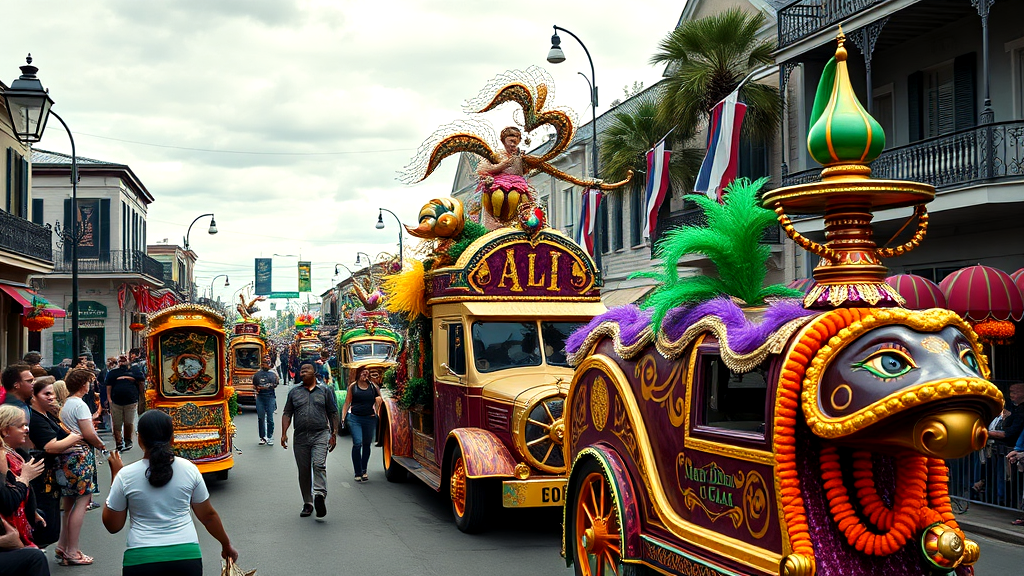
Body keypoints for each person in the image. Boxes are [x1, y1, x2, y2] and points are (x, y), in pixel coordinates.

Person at [102, 410, 238, 575]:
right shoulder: (189, 469)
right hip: (186, 558)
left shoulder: (126, 475)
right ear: (172, 439)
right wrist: (226, 545)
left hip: (141, 560)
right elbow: (208, 516)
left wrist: (115, 476)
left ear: (139, 439)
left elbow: (113, 525)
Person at [56, 369, 106, 566]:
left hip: (66, 455)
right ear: (83, 384)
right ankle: (72, 550)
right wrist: (101, 444)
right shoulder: (80, 405)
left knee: (68, 503)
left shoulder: (67, 404)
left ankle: (63, 545)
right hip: (80, 456)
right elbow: (88, 433)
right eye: (88, 382)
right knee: (82, 501)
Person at [28, 376, 82, 549]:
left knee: (52, 518)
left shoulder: (45, 415)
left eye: (52, 393)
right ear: (34, 396)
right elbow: (51, 446)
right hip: (42, 477)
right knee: (45, 521)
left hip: (51, 475)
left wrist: (68, 445)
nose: (52, 397)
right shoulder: (35, 419)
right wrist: (75, 437)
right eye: (46, 394)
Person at [281, 363, 338, 518]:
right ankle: (308, 503)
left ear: (314, 373)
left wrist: (334, 433)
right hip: (300, 437)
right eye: (302, 370)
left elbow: (333, 413)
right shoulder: (294, 392)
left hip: (320, 434)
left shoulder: (325, 390)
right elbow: (287, 413)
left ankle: (319, 495)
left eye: (307, 370)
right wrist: (284, 433)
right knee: (304, 471)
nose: (303, 372)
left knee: (318, 464)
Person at [0, 404, 48, 576]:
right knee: (34, 559)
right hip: (10, 526)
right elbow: (8, 500)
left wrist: (32, 510)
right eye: (21, 425)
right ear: (5, 430)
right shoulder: (2, 456)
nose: (26, 429)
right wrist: (26, 478)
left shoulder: (13, 452)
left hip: (18, 524)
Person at [474, 125, 533, 229]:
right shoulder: (498, 155)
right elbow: (488, 169)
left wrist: (524, 161)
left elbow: (525, 169)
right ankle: (497, 219)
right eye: (510, 137)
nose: (513, 140)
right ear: (504, 140)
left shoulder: (520, 156)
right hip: (500, 183)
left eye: (516, 137)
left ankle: (519, 221)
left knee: (519, 198)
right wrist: (504, 164)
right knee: (499, 196)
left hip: (517, 184)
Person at [340, 366, 382, 483]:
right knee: (357, 443)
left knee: (367, 444)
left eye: (366, 373)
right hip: (355, 419)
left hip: (369, 418)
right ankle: (357, 472)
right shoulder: (353, 387)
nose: (365, 375)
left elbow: (380, 399)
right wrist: (343, 417)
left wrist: (378, 401)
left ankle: (364, 470)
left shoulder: (373, 387)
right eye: (363, 373)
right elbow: (347, 402)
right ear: (358, 374)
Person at [105, 355, 145, 452]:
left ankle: (128, 441)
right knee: (117, 424)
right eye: (120, 360)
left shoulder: (135, 371)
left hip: (131, 402)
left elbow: (141, 383)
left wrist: (141, 397)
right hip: (116, 402)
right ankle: (119, 442)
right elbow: (108, 386)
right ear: (118, 362)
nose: (122, 362)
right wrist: (109, 400)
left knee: (129, 422)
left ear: (128, 360)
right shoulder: (113, 373)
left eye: (124, 360)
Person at [253, 355, 279, 446]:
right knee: (261, 418)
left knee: (270, 418)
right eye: (264, 363)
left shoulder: (273, 375)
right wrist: (258, 389)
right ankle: (262, 437)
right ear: (261, 364)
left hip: (270, 397)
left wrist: (265, 387)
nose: (266, 365)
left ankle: (270, 436)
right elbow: (255, 385)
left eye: (268, 363)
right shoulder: (257, 375)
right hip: (260, 398)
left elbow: (275, 384)